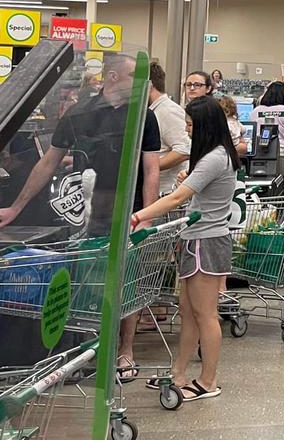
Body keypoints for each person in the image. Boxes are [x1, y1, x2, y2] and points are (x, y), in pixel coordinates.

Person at [0, 53, 163, 382]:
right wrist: (16, 207)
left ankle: (124, 350)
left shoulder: (143, 117)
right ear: (114, 77)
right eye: (136, 77)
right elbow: (48, 162)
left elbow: (151, 169)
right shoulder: (80, 114)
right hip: (85, 214)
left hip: (127, 213)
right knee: (86, 283)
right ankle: (87, 348)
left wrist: (146, 216)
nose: (144, 85)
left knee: (125, 284)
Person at [131, 96, 240, 402]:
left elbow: (177, 199)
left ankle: (208, 381)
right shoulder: (212, 157)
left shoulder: (215, 158)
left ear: (204, 125)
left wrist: (141, 214)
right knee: (189, 314)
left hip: (207, 241)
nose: (188, 131)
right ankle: (178, 373)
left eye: (191, 125)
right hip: (197, 239)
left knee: (206, 315)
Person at [149, 62, 190, 194]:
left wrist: (148, 167)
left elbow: (183, 149)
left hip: (167, 192)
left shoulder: (168, 111)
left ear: (149, 85)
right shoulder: (153, 110)